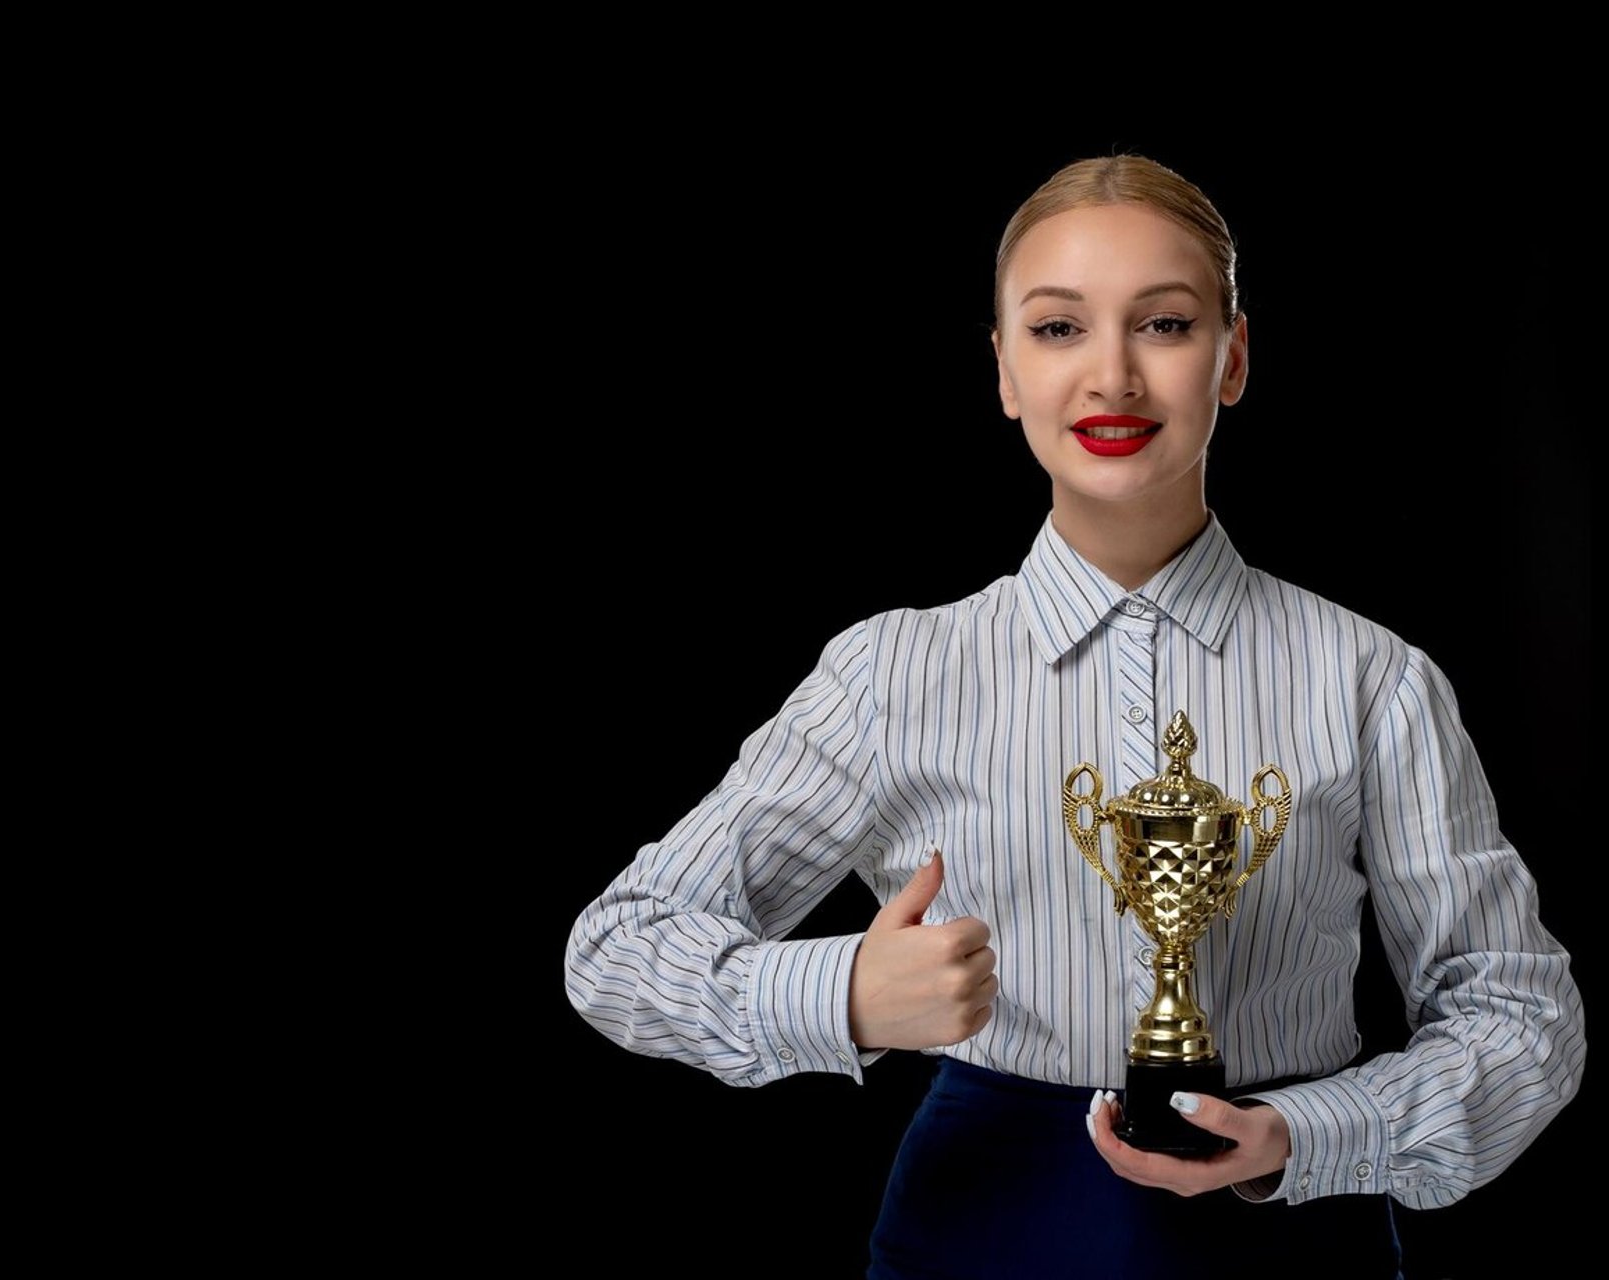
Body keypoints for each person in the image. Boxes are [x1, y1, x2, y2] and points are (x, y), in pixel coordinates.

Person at [562, 154, 1585, 1279]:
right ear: (1003, 370)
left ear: (1232, 359)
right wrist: (842, 990)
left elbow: (1518, 1010)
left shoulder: (1370, 678)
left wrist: (1315, 1130)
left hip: (1298, 1234)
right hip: (983, 1231)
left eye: (1165, 323)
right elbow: (619, 944)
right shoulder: (894, 673)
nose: (1113, 376)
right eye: (1059, 329)